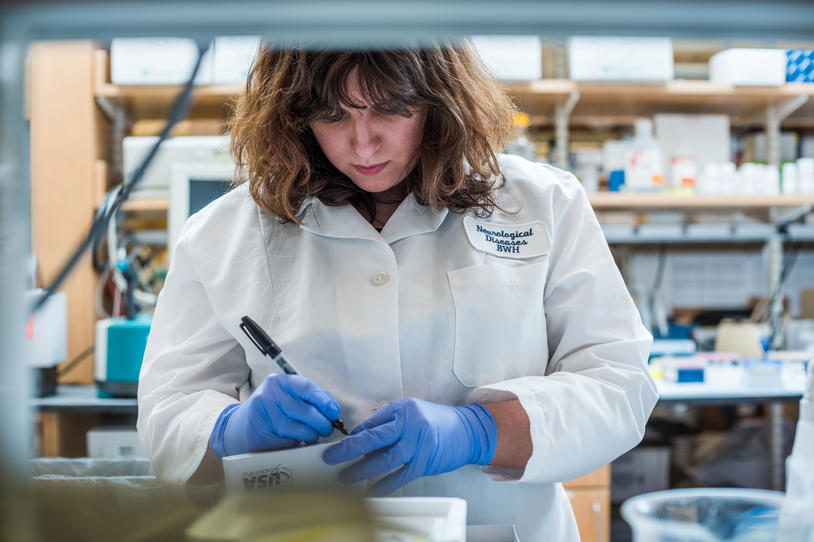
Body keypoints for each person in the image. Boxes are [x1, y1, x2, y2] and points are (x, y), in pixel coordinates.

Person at [137, 40, 658, 541]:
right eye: (333, 115)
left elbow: (618, 384)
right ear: (293, 114)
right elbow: (169, 408)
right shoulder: (223, 234)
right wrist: (229, 428)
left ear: (439, 101)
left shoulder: (542, 204)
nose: (362, 143)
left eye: (389, 109)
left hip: (500, 528)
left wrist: (478, 431)